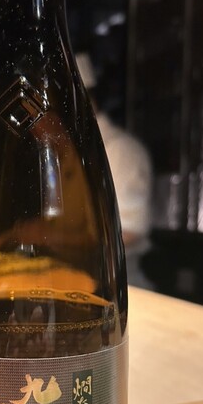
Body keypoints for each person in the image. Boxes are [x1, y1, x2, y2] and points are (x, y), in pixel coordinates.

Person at [76, 53, 153, 288]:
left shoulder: (120, 150)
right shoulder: (72, 152)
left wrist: (54, 244)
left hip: (120, 288)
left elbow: (128, 231)